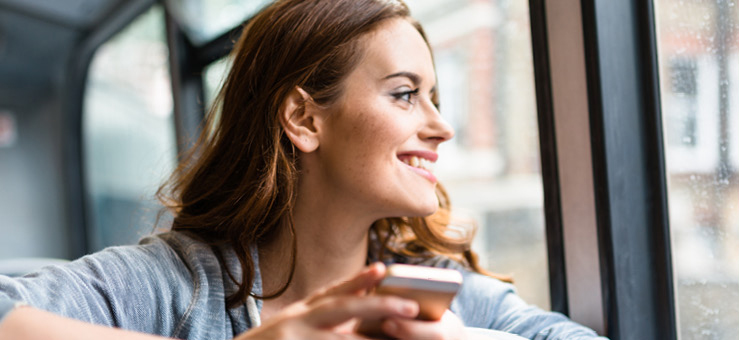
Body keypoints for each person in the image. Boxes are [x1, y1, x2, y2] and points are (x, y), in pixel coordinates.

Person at [0, 0, 609, 339]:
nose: (442, 126)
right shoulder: (175, 286)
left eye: (436, 99)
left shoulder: (441, 298)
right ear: (304, 119)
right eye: (404, 94)